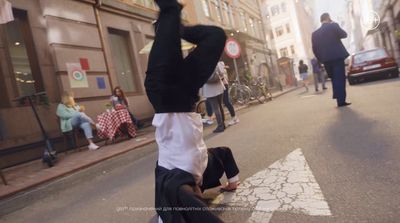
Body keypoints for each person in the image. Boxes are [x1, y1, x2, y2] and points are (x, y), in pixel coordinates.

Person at [145, 0, 240, 222]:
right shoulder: (205, 166)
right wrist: (233, 180)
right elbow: (224, 153)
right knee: (216, 36)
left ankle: (168, 21)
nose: (197, 192)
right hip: (188, 93)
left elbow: (173, 207)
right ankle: (174, 27)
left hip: (163, 93)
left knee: (169, 11)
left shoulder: (175, 182)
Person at [312, 13, 351, 107]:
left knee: (334, 78)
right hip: (337, 57)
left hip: (326, 60)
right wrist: (334, 23)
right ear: (328, 18)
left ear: (321, 20)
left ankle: (338, 97)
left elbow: (315, 49)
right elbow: (344, 35)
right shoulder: (333, 26)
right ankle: (341, 100)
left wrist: (321, 60)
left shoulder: (315, 34)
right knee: (340, 78)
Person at [201, 67, 226, 133]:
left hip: (210, 90)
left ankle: (220, 126)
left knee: (216, 109)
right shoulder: (215, 61)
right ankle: (223, 124)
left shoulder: (200, 64)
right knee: (220, 106)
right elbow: (221, 73)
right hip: (219, 86)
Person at [217, 61, 239, 126]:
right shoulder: (219, 63)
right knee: (223, 102)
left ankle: (234, 118)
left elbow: (221, 74)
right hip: (221, 85)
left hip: (223, 84)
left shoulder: (219, 63)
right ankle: (223, 120)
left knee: (226, 101)